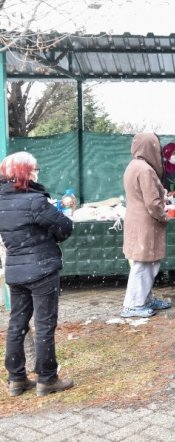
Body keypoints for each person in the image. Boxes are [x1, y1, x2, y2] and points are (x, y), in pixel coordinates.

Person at [0, 152, 75, 397]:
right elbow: (65, 227)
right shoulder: (34, 201)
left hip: (16, 270)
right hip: (42, 269)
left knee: (17, 324)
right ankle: (47, 378)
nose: (37, 173)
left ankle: (16, 379)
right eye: (34, 169)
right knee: (44, 325)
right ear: (25, 173)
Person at [122, 133, 172, 317]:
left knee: (144, 263)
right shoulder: (146, 170)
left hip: (137, 221)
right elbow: (152, 203)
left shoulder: (133, 166)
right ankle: (133, 305)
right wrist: (163, 216)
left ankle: (144, 298)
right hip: (146, 223)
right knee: (144, 265)